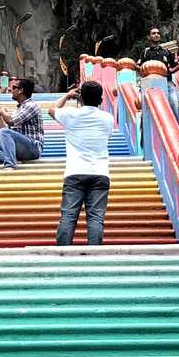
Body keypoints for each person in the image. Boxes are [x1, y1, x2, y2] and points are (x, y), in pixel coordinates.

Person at [55, 80, 112, 246]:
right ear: (101, 100)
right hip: (100, 173)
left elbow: (52, 109)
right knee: (96, 218)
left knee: (68, 216)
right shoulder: (108, 118)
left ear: (81, 99)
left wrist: (67, 95)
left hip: (75, 172)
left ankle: (62, 255)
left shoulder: (70, 114)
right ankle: (95, 257)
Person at [0, 77, 44, 169]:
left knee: (5, 132)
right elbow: (4, 132)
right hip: (16, 149)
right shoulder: (19, 109)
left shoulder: (32, 106)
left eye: (14, 87)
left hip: (32, 149)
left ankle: (10, 165)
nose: (10, 89)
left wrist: (3, 112)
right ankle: (11, 159)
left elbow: (11, 122)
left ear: (21, 90)